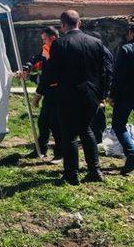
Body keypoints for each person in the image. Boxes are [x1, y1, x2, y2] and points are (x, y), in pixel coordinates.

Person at [38, 10, 105, 185]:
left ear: (63, 25)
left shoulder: (60, 44)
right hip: (91, 95)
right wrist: (102, 95)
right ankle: (95, 170)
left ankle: (71, 174)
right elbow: (103, 72)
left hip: (69, 95)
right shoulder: (96, 42)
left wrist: (41, 90)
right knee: (86, 130)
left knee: (69, 135)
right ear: (79, 23)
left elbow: (50, 72)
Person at [23, 26, 62, 162]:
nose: (43, 42)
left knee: (55, 124)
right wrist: (28, 66)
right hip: (48, 91)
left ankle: (60, 153)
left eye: (45, 39)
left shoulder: (60, 51)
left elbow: (48, 76)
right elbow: (36, 57)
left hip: (58, 92)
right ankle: (41, 150)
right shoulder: (46, 49)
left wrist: (37, 93)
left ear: (53, 38)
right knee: (43, 121)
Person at [109, 24, 134, 176]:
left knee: (118, 125)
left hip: (126, 95)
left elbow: (117, 76)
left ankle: (131, 153)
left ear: (131, 33)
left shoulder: (126, 50)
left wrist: (112, 95)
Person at [85, 31, 113, 144]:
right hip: (98, 87)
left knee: (98, 113)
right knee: (95, 113)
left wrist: (104, 92)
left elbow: (107, 72)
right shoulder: (100, 50)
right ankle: (96, 136)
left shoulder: (102, 52)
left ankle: (98, 137)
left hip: (100, 88)